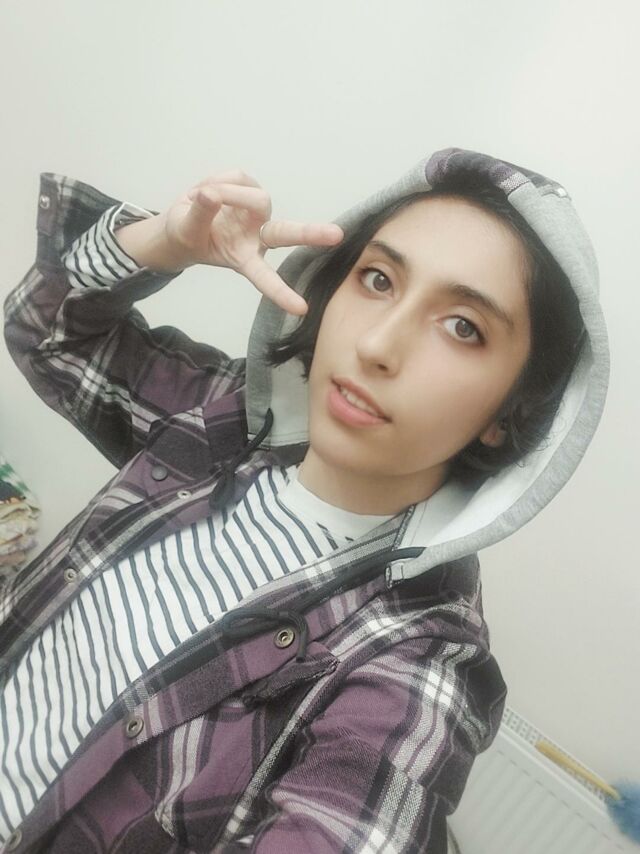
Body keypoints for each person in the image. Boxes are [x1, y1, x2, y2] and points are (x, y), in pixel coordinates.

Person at [1, 147, 609, 853]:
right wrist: (165, 241)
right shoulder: (222, 416)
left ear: (510, 412)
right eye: (377, 279)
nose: (377, 344)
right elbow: (45, 333)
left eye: (463, 326)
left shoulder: (419, 660)